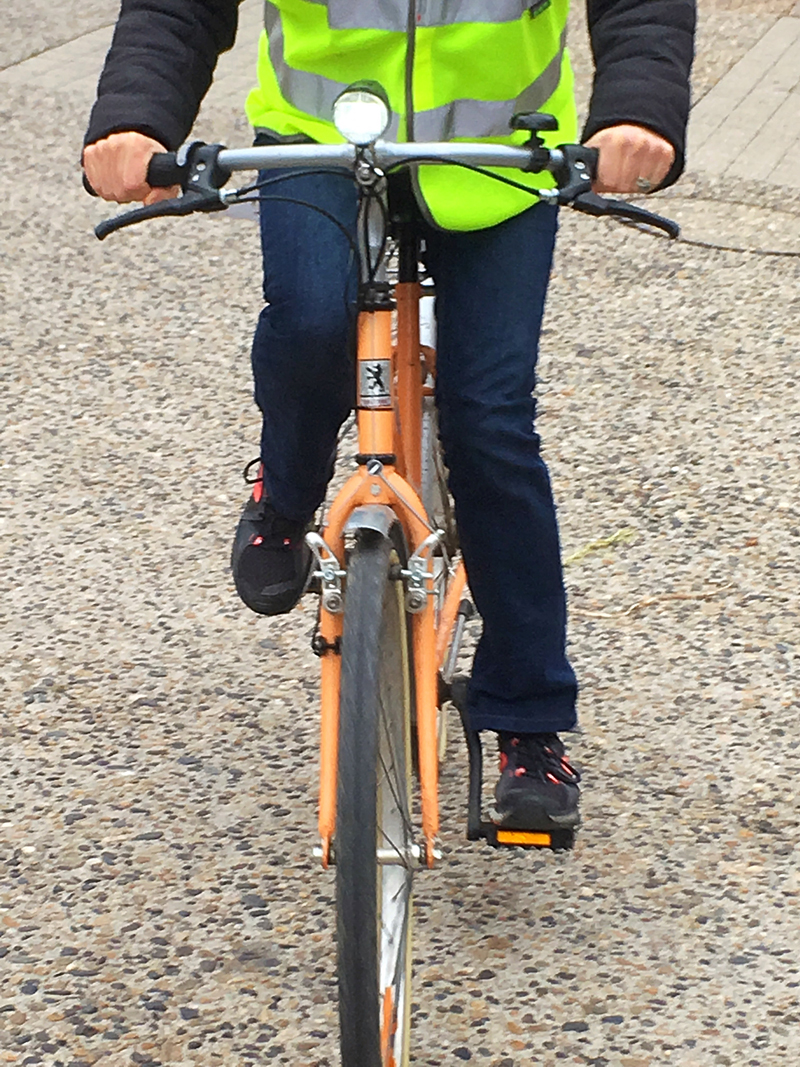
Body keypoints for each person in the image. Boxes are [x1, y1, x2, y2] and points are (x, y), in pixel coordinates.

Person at [83, 0, 695, 832]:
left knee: (490, 419)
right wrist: (133, 116)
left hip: (498, 155)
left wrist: (638, 108)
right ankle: (286, 498)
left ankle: (526, 717)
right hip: (320, 141)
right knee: (307, 327)